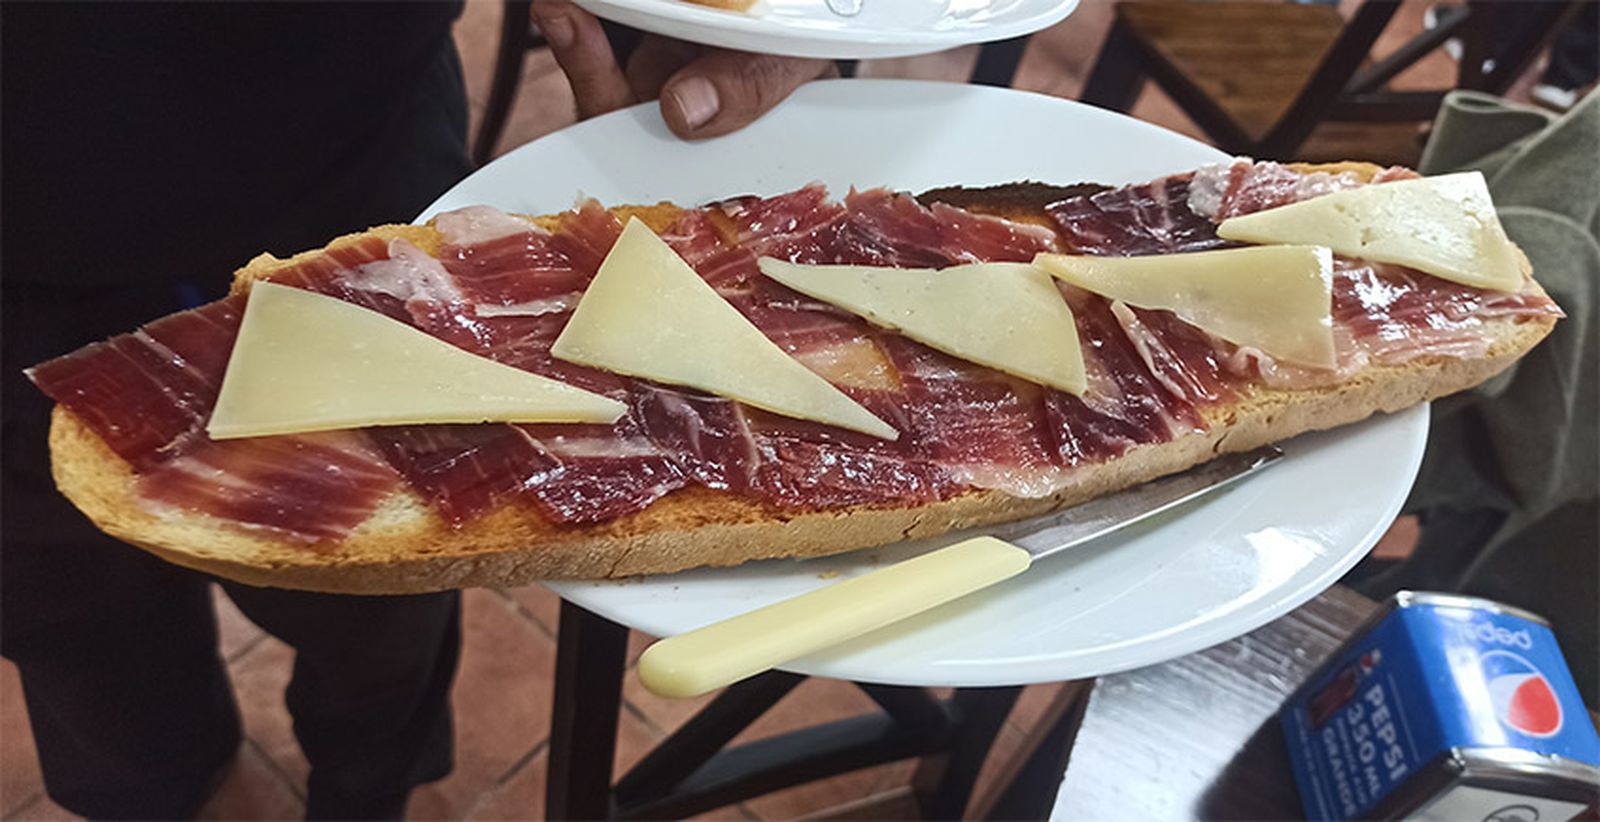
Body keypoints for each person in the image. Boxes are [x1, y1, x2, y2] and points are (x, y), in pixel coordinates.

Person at [0, 1, 830, 817]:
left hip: (347, 165)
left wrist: (739, 16)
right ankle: (166, 795)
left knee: (380, 625)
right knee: (75, 631)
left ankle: (371, 790)